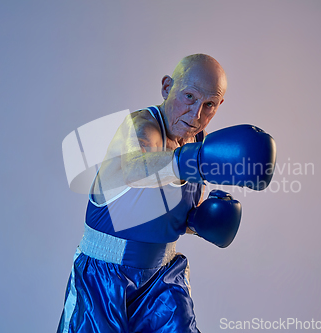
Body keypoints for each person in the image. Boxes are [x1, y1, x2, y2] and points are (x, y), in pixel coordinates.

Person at [57, 54, 276, 333]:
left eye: (209, 105)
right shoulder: (140, 128)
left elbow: (175, 216)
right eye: (189, 97)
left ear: (219, 105)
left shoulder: (200, 142)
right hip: (103, 280)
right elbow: (135, 168)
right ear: (166, 87)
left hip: (161, 279)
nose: (196, 115)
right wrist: (193, 161)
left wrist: (202, 221)